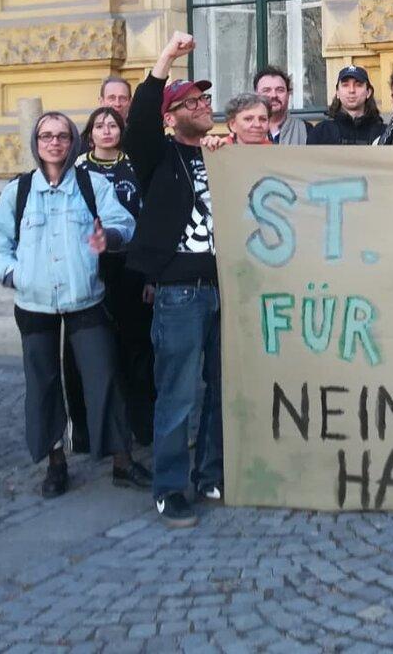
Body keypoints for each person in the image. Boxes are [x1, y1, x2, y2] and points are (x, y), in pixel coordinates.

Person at [0, 112, 148, 499]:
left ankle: (121, 460)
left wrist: (112, 238)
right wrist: (16, 275)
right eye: (46, 136)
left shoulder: (91, 185)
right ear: (36, 143)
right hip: (34, 302)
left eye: (62, 136)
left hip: (85, 297)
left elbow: (124, 223)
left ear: (74, 141)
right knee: (42, 383)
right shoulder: (19, 191)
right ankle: (55, 463)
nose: (54, 143)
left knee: (103, 375)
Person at [124, 34, 223, 527]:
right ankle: (169, 486)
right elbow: (139, 119)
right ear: (170, 117)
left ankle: (210, 473)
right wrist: (166, 59)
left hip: (225, 290)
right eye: (191, 102)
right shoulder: (157, 156)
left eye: (205, 99)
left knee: (221, 388)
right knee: (179, 392)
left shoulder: (220, 156)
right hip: (180, 295)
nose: (203, 106)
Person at [78, 106, 153, 446]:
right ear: (90, 133)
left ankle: (141, 424)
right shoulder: (77, 168)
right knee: (93, 351)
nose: (106, 130)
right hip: (89, 268)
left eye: (112, 124)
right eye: (99, 125)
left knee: (137, 349)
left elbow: (150, 216)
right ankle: (91, 429)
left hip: (132, 266)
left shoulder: (136, 164)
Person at [307, 66, 386, 144]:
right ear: (337, 92)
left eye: (358, 85)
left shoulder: (384, 133)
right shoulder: (321, 132)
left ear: (368, 92)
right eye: (345, 85)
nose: (351, 90)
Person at [254, 66, 310, 145]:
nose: (273, 95)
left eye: (280, 90)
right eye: (266, 90)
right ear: (256, 95)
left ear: (288, 94)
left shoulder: (305, 130)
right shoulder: (244, 131)